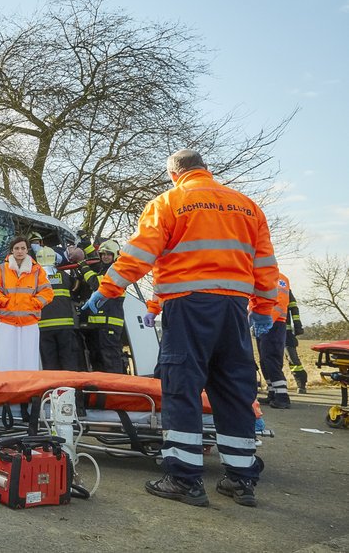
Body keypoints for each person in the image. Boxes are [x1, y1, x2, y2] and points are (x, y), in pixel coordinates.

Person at [85, 149, 277, 508]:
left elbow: (140, 252)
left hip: (189, 305)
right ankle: (240, 479)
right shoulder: (247, 206)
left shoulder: (170, 201)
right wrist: (264, 308)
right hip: (234, 309)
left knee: (182, 386)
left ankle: (183, 479)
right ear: (206, 169)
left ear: (174, 173)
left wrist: (107, 288)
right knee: (234, 388)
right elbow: (265, 264)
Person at [0, 236, 54, 371]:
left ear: (27, 250)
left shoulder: (37, 270)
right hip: (8, 320)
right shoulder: (0, 269)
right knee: (6, 357)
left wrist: (33, 303)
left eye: (23, 248)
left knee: (29, 358)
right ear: (12, 250)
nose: (20, 251)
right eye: (16, 248)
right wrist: (5, 302)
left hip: (29, 320)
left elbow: (48, 292)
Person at [82, 239, 127, 374]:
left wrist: (84, 268)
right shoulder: (102, 268)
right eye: (103, 254)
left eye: (108, 254)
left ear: (115, 256)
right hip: (96, 326)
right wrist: (85, 243)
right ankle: (102, 392)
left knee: (110, 360)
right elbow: (93, 258)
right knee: (97, 360)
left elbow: (96, 283)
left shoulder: (116, 271)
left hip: (109, 325)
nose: (105, 257)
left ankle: (116, 390)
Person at [34, 247, 82, 371]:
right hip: (65, 327)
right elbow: (77, 288)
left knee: (50, 363)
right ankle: (71, 388)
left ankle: (53, 389)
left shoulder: (33, 279)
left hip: (44, 328)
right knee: (69, 361)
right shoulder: (64, 276)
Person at [255, 271, 295, 409]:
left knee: (271, 359)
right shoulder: (261, 276)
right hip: (264, 323)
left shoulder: (280, 279)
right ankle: (273, 393)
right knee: (264, 360)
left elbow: (280, 302)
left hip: (274, 323)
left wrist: (267, 321)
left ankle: (282, 397)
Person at [284, 288, 308, 394]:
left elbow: (293, 308)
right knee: (271, 360)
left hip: (285, 331)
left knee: (292, 359)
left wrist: (297, 324)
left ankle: (301, 384)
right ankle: (275, 387)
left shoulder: (284, 287)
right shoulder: (262, 283)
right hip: (267, 330)